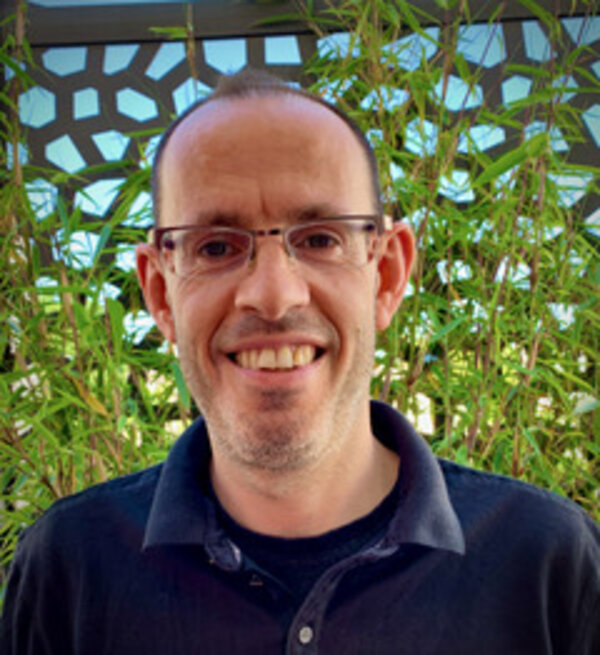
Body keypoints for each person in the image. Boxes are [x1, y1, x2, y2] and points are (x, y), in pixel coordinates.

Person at [1, 68, 598, 655]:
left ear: (387, 274)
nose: (273, 296)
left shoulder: (547, 566)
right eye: (216, 246)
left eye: (319, 239)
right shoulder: (71, 572)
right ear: (160, 292)